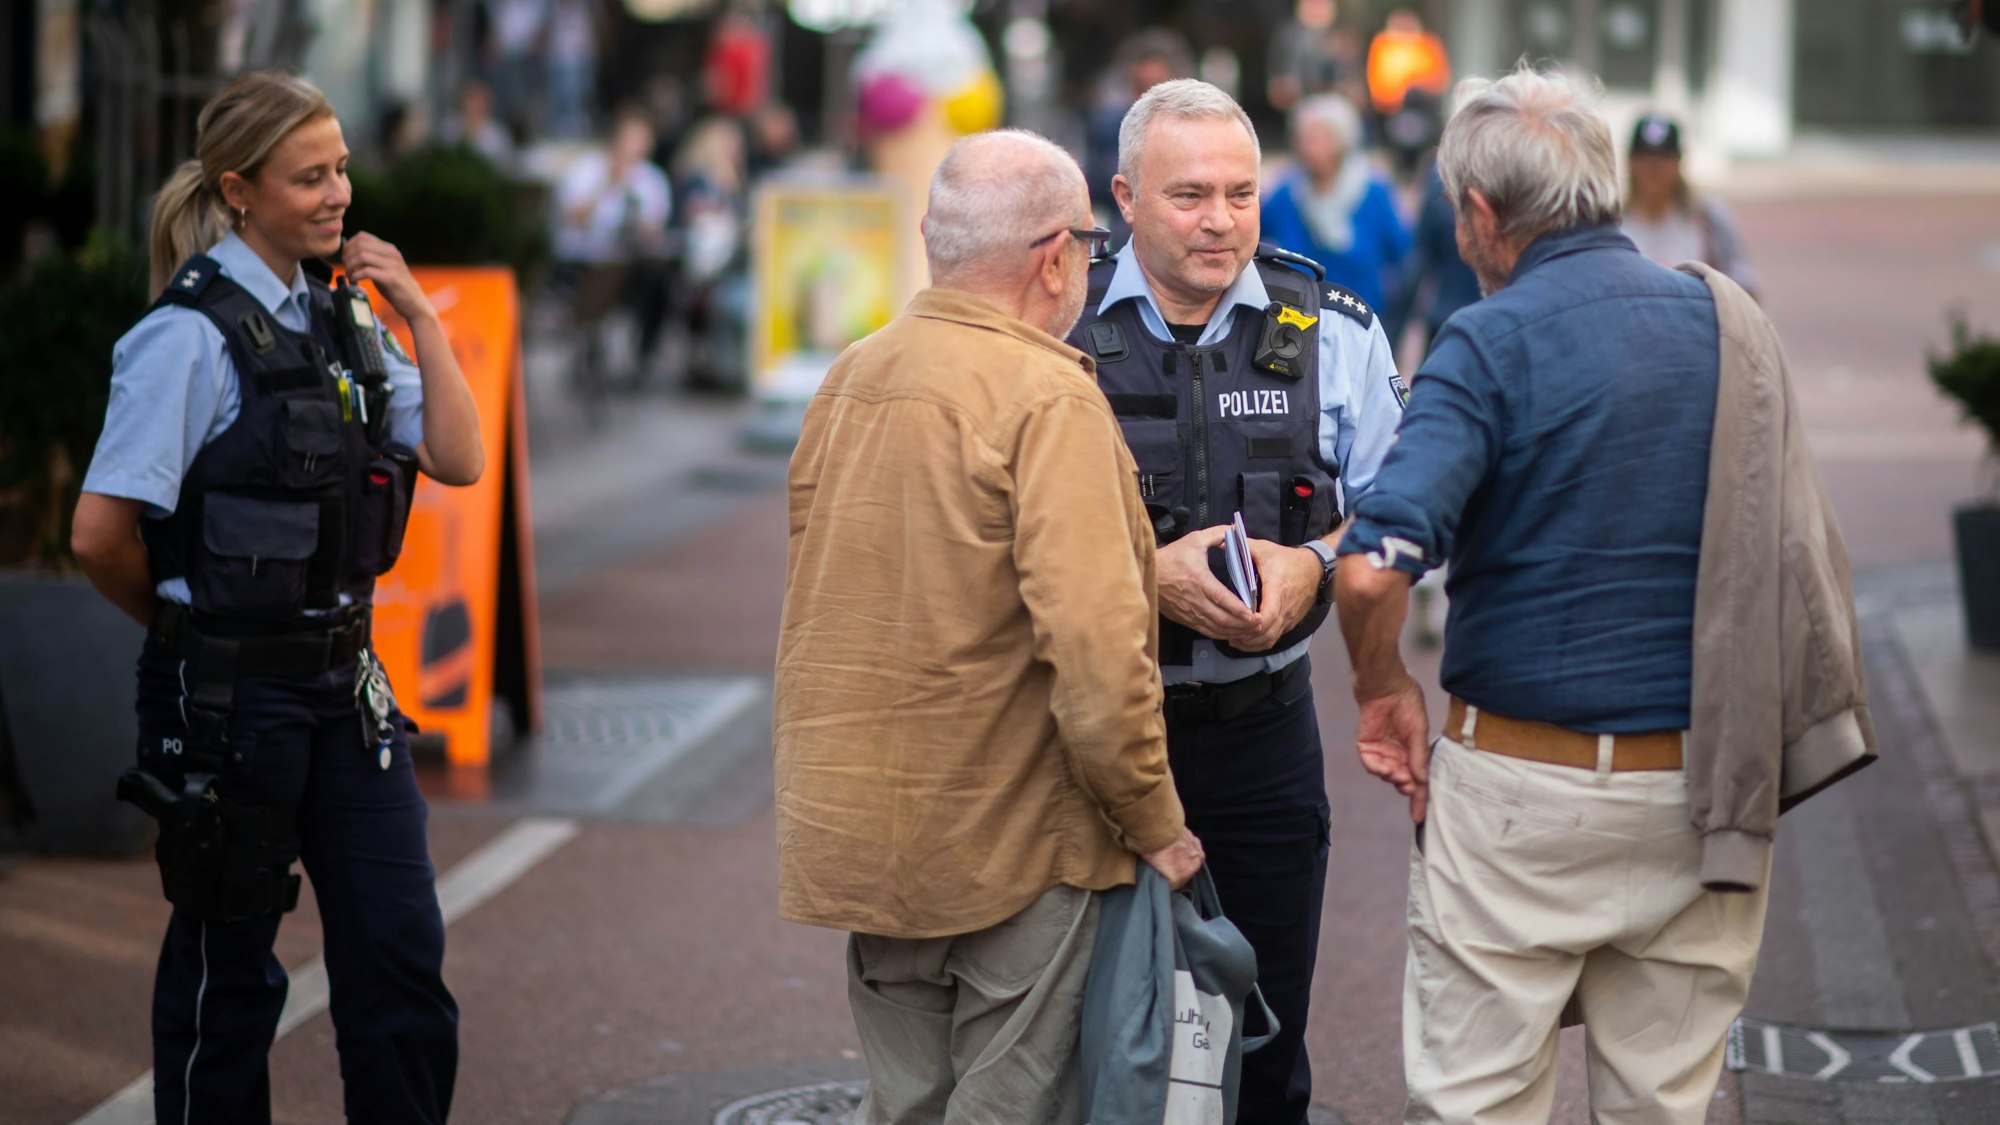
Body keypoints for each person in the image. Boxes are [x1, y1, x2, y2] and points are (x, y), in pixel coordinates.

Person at [1332, 65, 1872, 1123]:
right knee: (1659, 1106)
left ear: (1484, 215)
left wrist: (1380, 682)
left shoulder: (1485, 342)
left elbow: (1367, 568)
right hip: (1700, 786)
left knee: (1475, 1102)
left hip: (1518, 794)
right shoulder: (1717, 321)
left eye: (1456, 213)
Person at [69, 70, 482, 1123]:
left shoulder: (344, 319)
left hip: (346, 689)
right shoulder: (186, 337)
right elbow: (99, 535)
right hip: (226, 703)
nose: (340, 192)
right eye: (311, 177)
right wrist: (185, 638)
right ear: (238, 188)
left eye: (341, 166)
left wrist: (419, 316)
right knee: (230, 978)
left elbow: (457, 457)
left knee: (397, 956)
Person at [774, 129, 1203, 1124]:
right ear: (1055, 257)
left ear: (932, 237)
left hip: (869, 838)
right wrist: (1156, 822)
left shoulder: (848, 378)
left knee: (903, 1102)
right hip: (1014, 841)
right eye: (1090, 248)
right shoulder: (1047, 395)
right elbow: (1098, 662)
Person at [1067, 78, 1406, 1125]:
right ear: (1123, 196)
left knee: (1265, 1042)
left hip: (1262, 736)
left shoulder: (1333, 330)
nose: (1220, 220)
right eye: (1188, 196)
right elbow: (978, 530)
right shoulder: (1053, 326)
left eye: (1240, 193)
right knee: (1078, 1047)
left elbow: (1405, 506)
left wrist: (1319, 565)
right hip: (1086, 742)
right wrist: (1137, 573)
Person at [1261, 93, 1411, 315]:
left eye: (1318, 137)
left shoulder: (1373, 193)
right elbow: (1253, 237)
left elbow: (1403, 255)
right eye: (1302, 137)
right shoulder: (1287, 193)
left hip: (1361, 318)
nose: (1307, 146)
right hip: (1295, 321)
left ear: (1342, 140)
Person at [1622, 112, 1759, 297]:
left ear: (1679, 162)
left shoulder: (1707, 218)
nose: (1653, 168)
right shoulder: (1614, 223)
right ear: (1630, 161)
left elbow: (1744, 281)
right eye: (1644, 158)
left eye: (1663, 159)